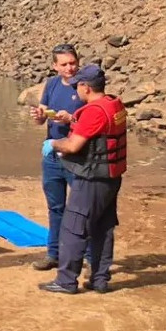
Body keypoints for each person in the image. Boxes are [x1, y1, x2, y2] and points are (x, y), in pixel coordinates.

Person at [39, 64, 127, 294]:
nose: (76, 89)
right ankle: (100, 279)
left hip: (92, 179)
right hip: (111, 177)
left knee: (73, 228)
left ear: (86, 88)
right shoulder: (113, 104)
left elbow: (73, 145)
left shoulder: (94, 111)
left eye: (78, 85)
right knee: (103, 228)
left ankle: (66, 280)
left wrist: (53, 144)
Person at [29, 43, 90, 271]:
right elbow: (41, 120)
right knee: (55, 207)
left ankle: (90, 256)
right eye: (64, 64)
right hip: (52, 155)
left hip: (77, 155)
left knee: (82, 208)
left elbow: (93, 119)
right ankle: (53, 254)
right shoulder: (52, 84)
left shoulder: (85, 87)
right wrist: (38, 115)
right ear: (55, 66)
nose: (70, 68)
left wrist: (71, 119)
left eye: (72, 63)